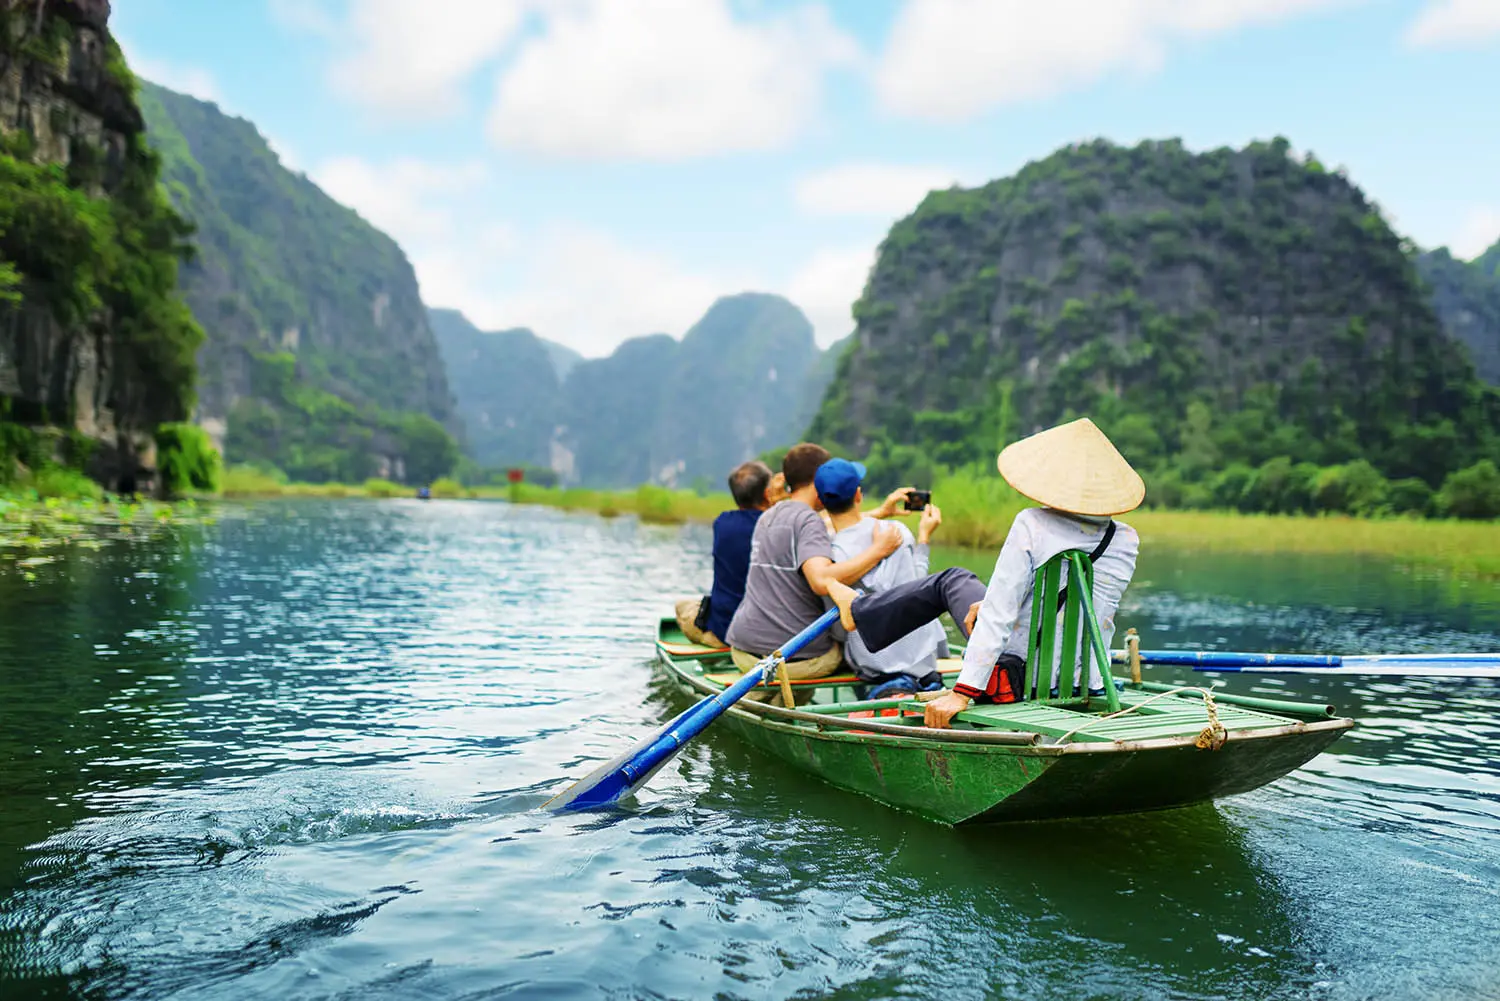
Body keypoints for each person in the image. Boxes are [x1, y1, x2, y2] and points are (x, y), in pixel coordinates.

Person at [825, 417, 1143, 729]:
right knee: (969, 590)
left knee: (951, 580)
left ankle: (857, 611)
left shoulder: (1032, 524)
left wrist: (963, 692)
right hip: (1087, 682)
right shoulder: (1126, 540)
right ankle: (859, 611)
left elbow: (999, 615)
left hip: (1018, 678)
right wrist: (991, 601)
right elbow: (1077, 607)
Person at [724, 443, 907, 690]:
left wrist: (880, 513)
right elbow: (820, 581)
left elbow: (825, 526)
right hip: (791, 659)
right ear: (818, 479)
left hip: (743, 649)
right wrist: (878, 551)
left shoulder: (770, 514)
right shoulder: (809, 520)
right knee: (858, 648)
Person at [817, 458, 949, 699]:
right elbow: (919, 589)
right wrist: (924, 539)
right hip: (922, 662)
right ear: (858, 495)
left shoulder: (824, 553)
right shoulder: (897, 532)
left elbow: (839, 627)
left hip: (873, 665)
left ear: (820, 500)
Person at [674, 460, 780, 648]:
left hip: (724, 628)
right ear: (766, 493)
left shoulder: (722, 523)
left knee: (683, 607)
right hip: (767, 629)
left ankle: (712, 640)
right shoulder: (777, 527)